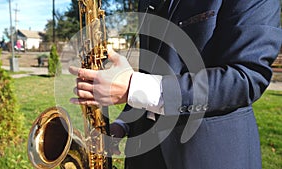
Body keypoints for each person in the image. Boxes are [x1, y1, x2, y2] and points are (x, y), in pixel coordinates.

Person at [69, 0, 282, 168]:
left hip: (209, 156)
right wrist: (123, 124)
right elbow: (153, 73)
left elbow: (246, 77)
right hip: (144, 155)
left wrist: (133, 87)